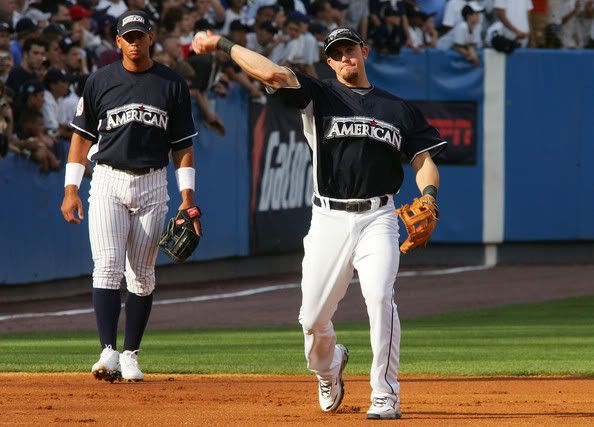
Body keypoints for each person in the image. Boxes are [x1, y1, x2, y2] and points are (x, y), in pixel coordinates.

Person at [192, 26, 445, 419]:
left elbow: (424, 161)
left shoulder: (399, 109)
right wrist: (222, 45)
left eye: (350, 49)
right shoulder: (320, 95)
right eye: (337, 53)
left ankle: (386, 394)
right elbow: (273, 75)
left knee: (380, 297)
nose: (345, 57)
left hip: (379, 217)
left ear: (365, 50)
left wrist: (428, 196)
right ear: (329, 60)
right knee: (311, 319)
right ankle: (328, 368)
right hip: (329, 218)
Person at [60, 10, 201, 383]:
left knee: (141, 276)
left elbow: (182, 146)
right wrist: (70, 189)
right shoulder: (99, 81)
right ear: (117, 41)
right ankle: (107, 351)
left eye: (140, 35)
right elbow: (81, 137)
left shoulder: (171, 84)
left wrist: (188, 197)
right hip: (107, 180)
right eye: (128, 36)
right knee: (106, 266)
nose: (135, 41)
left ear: (151, 37)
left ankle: (130, 353)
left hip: (154, 182)